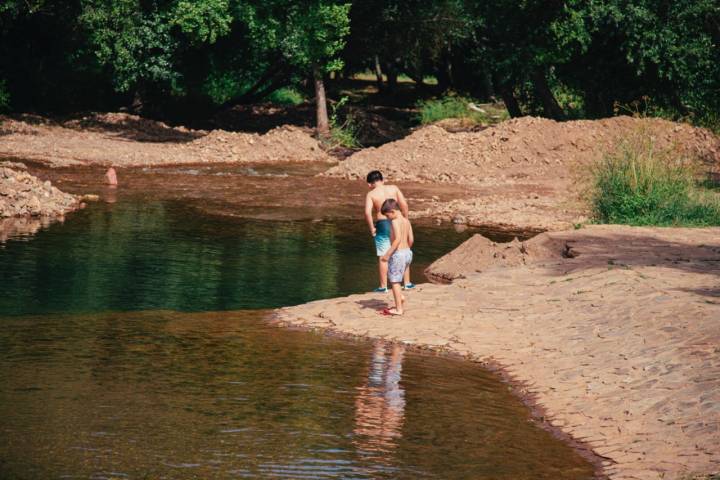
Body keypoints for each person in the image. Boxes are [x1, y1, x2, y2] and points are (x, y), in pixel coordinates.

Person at [364, 170, 414, 292]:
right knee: (403, 249)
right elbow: (404, 205)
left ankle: (383, 286)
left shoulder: (371, 194)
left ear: (370, 184)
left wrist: (372, 228)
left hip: (383, 223)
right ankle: (407, 283)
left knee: (383, 255)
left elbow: (367, 213)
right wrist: (405, 220)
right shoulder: (394, 188)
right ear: (383, 180)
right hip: (398, 219)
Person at [379, 198, 414, 316]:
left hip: (398, 253)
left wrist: (387, 254)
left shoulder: (395, 221)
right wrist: (406, 250)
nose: (388, 219)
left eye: (387, 216)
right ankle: (400, 297)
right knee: (397, 278)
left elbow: (398, 239)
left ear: (393, 211)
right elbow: (411, 240)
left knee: (395, 281)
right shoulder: (406, 221)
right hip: (408, 253)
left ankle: (399, 309)